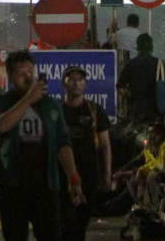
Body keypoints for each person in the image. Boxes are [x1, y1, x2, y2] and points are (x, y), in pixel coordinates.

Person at [0, 50, 84, 241]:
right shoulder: (3, 102)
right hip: (13, 186)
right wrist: (29, 99)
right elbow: (1, 125)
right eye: (22, 73)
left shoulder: (51, 105)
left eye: (31, 71)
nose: (28, 76)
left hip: (45, 186)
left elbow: (63, 143)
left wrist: (73, 177)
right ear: (12, 77)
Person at [58, 66, 111, 241]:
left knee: (82, 220)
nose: (76, 83)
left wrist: (107, 174)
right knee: (64, 219)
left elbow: (105, 145)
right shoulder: (56, 110)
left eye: (80, 80)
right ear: (63, 83)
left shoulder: (94, 110)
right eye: (71, 79)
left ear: (85, 84)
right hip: (61, 174)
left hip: (89, 171)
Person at [117, 33, 163, 124]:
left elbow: (120, 87)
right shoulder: (159, 64)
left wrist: (128, 96)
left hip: (137, 107)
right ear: (152, 47)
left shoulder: (131, 64)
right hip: (155, 109)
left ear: (137, 48)